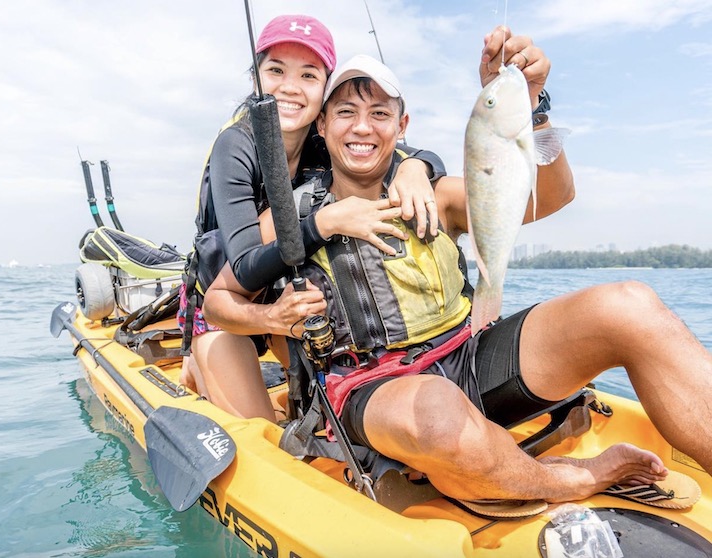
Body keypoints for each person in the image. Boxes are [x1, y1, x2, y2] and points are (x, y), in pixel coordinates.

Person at [204, 26, 712, 505]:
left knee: (629, 306)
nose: (363, 127)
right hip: (371, 390)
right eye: (346, 112)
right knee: (438, 414)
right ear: (323, 124)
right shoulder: (290, 218)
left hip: (467, 360)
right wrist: (272, 319)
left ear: (402, 126)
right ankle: (574, 479)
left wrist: (532, 105)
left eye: (380, 113)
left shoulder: (436, 194)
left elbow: (554, 196)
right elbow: (219, 303)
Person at [178, 14, 447, 420]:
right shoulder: (234, 146)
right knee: (259, 429)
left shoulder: (326, 141)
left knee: (316, 405)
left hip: (291, 297)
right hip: (228, 307)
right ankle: (197, 361)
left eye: (308, 75)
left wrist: (417, 167)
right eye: (275, 71)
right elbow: (247, 269)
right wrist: (327, 221)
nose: (289, 86)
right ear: (256, 79)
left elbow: (407, 151)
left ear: (325, 90)